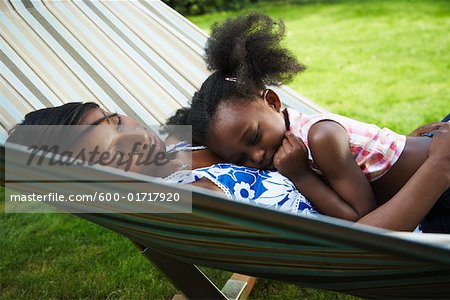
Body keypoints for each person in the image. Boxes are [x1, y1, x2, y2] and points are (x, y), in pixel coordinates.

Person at [168, 13, 449, 231]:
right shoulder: (291, 142)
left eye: (254, 137)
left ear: (273, 102)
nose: (257, 156)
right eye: (241, 158)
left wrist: (300, 176)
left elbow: (362, 219)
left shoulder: (320, 138)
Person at [6, 102, 450, 232]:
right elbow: (363, 246)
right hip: (423, 208)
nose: (138, 138)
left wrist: (397, 147)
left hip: (398, 172)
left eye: (118, 122)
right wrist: (436, 168)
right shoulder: (196, 200)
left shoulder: (182, 144)